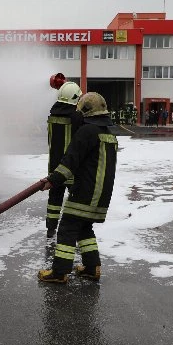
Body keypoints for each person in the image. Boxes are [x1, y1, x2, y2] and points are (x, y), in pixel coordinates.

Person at [38, 92, 118, 284]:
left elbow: (70, 161)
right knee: (84, 228)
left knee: (66, 227)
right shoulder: (108, 134)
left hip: (85, 192)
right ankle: (92, 268)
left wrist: (53, 179)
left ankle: (59, 272)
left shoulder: (87, 131)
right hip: (101, 195)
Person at [45, 81, 84, 238]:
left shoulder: (53, 115)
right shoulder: (76, 118)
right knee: (75, 201)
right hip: (71, 168)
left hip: (55, 167)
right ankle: (76, 230)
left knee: (54, 200)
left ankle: (50, 229)